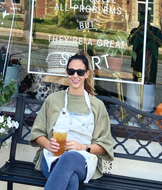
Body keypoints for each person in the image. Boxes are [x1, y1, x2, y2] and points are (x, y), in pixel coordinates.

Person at [29, 53, 114, 190]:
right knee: (71, 180)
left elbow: (105, 145)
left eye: (80, 72)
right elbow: (37, 132)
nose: (75, 76)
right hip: (51, 157)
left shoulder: (97, 106)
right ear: (66, 72)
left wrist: (82, 147)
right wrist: (49, 145)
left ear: (86, 74)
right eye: (71, 71)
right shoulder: (53, 99)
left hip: (83, 159)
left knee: (69, 158)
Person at [128, 13, 162, 84]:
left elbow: (160, 43)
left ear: (149, 18)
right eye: (142, 15)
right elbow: (129, 42)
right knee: (136, 84)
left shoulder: (156, 31)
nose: (143, 18)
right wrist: (139, 30)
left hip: (150, 62)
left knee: (149, 84)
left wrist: (149, 33)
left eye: (146, 16)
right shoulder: (135, 30)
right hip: (137, 61)